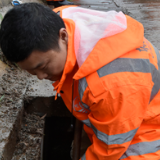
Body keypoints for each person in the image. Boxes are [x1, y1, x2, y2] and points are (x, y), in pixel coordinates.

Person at [0, 3, 160, 160]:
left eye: (43, 66)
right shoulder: (61, 19)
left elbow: (110, 148)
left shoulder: (110, 85)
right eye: (30, 71)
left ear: (63, 36)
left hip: (146, 133)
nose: (40, 76)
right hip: (119, 114)